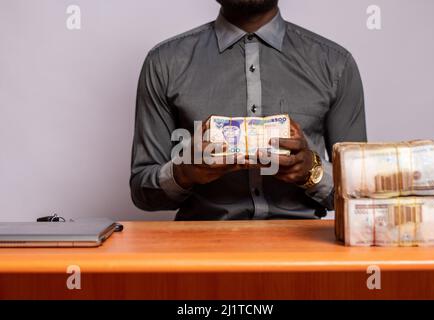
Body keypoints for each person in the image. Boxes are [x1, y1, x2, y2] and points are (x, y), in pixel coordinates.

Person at [130, 0, 367, 220]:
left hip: (303, 251)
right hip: (201, 252)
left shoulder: (336, 65)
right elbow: (143, 192)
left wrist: (312, 171)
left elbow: (363, 192)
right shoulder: (164, 64)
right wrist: (183, 172)